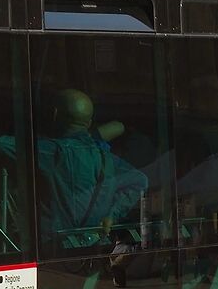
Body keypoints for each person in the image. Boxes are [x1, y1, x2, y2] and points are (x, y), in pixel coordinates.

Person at [28, 88, 147, 249]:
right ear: (89, 123)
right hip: (95, 246)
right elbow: (140, 180)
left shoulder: (49, 151)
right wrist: (112, 215)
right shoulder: (104, 157)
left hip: (54, 250)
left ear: (54, 114)